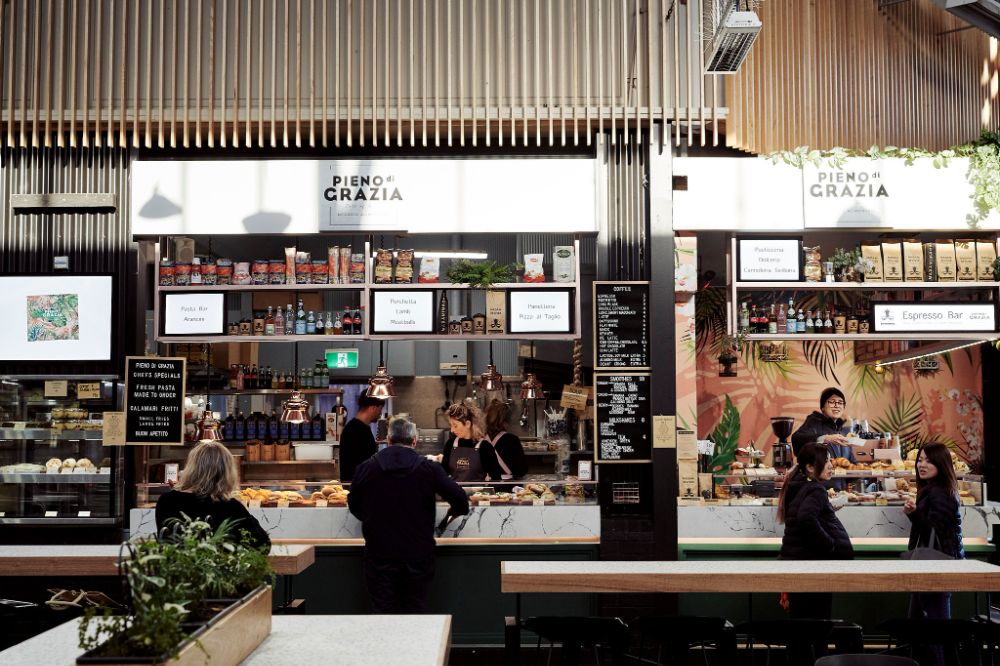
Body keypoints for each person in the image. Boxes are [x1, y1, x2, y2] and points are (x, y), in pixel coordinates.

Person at [348, 416, 470, 613]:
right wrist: (449, 515)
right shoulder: (429, 468)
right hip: (418, 554)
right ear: (414, 441)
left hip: (380, 555)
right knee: (415, 612)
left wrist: (374, 518)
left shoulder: (367, 468)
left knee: (382, 612)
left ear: (388, 440)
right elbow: (461, 501)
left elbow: (353, 504)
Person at [777, 442, 853, 622]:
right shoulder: (817, 489)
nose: (830, 465)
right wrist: (830, 545)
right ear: (810, 467)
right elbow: (805, 518)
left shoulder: (796, 485)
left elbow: (801, 516)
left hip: (796, 563)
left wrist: (827, 512)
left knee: (801, 624)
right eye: (825, 461)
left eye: (830, 460)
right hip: (813, 566)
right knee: (818, 625)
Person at [904, 442, 963, 665]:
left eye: (928, 460)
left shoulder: (941, 493)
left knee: (934, 630)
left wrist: (914, 513)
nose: (922, 464)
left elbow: (935, 531)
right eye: (920, 460)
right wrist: (915, 513)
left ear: (941, 463)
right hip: (931, 563)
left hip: (938, 565)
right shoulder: (934, 489)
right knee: (922, 626)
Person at [155, 441, 270, 550]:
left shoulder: (167, 501)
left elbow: (167, 542)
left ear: (191, 468)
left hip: (178, 569)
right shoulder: (230, 506)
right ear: (226, 472)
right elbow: (262, 545)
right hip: (217, 570)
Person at [442, 401, 505, 482]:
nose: (452, 430)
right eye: (451, 425)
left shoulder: (484, 447)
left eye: (455, 425)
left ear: (468, 424)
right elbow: (443, 475)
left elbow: (496, 478)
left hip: (478, 494)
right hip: (455, 493)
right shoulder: (450, 444)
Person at [790, 387, 856, 464]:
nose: (837, 405)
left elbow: (850, 459)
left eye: (840, 403)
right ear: (823, 407)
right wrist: (825, 438)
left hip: (842, 475)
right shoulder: (814, 421)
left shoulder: (843, 429)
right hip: (820, 474)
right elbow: (797, 439)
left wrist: (859, 467)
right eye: (832, 402)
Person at [339, 395, 385, 482]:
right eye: (380, 409)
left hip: (362, 485)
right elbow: (358, 465)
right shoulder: (354, 430)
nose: (380, 413)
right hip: (358, 487)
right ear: (373, 408)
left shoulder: (361, 427)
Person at [484, 399, 527, 480]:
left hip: (484, 489)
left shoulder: (479, 439)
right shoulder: (512, 440)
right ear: (506, 420)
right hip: (507, 488)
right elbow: (521, 471)